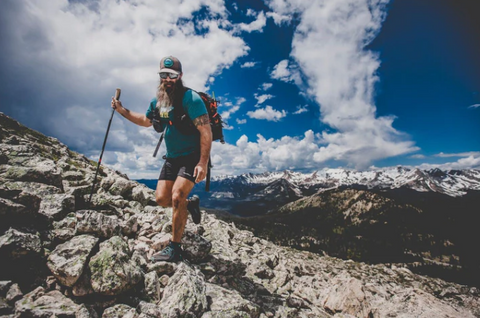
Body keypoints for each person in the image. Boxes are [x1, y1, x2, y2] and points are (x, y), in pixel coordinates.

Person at [111, 56, 212, 262]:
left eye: (172, 75)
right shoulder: (159, 101)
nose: (167, 79)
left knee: (176, 197)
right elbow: (146, 121)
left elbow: (205, 131)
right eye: (163, 75)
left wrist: (202, 162)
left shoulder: (191, 99)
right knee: (161, 199)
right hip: (172, 157)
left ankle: (175, 248)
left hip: (191, 157)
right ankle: (190, 204)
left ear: (180, 76)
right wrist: (122, 111)